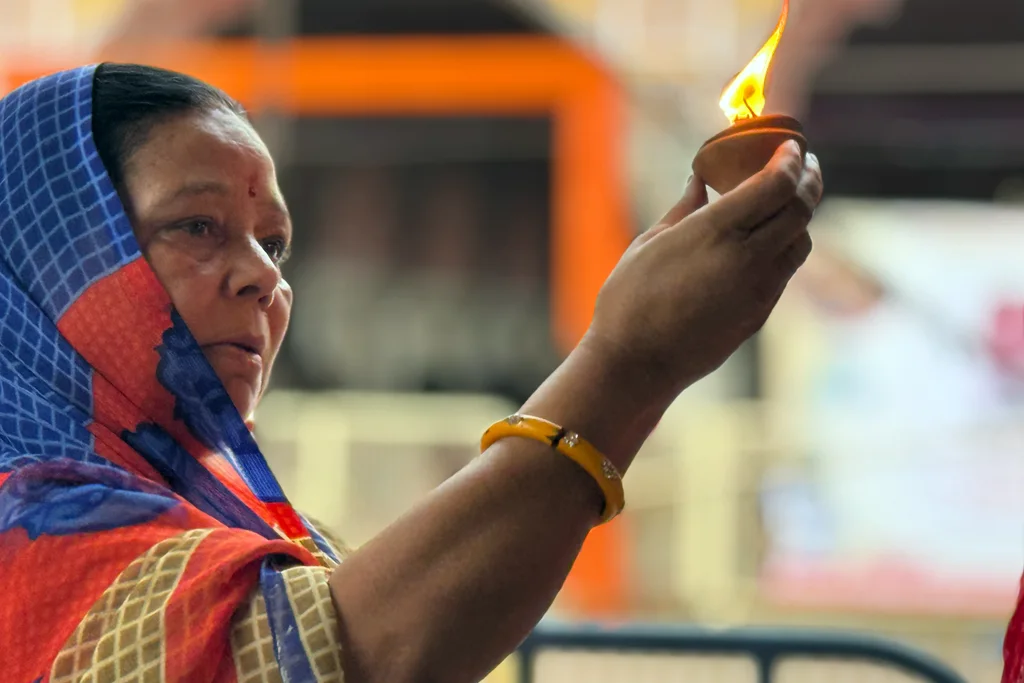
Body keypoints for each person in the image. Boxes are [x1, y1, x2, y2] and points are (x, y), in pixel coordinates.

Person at [0, 64, 821, 683]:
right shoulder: (22, 529)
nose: (263, 278)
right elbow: (326, 654)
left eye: (273, 242)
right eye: (197, 225)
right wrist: (629, 363)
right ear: (45, 262)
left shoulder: (224, 527)